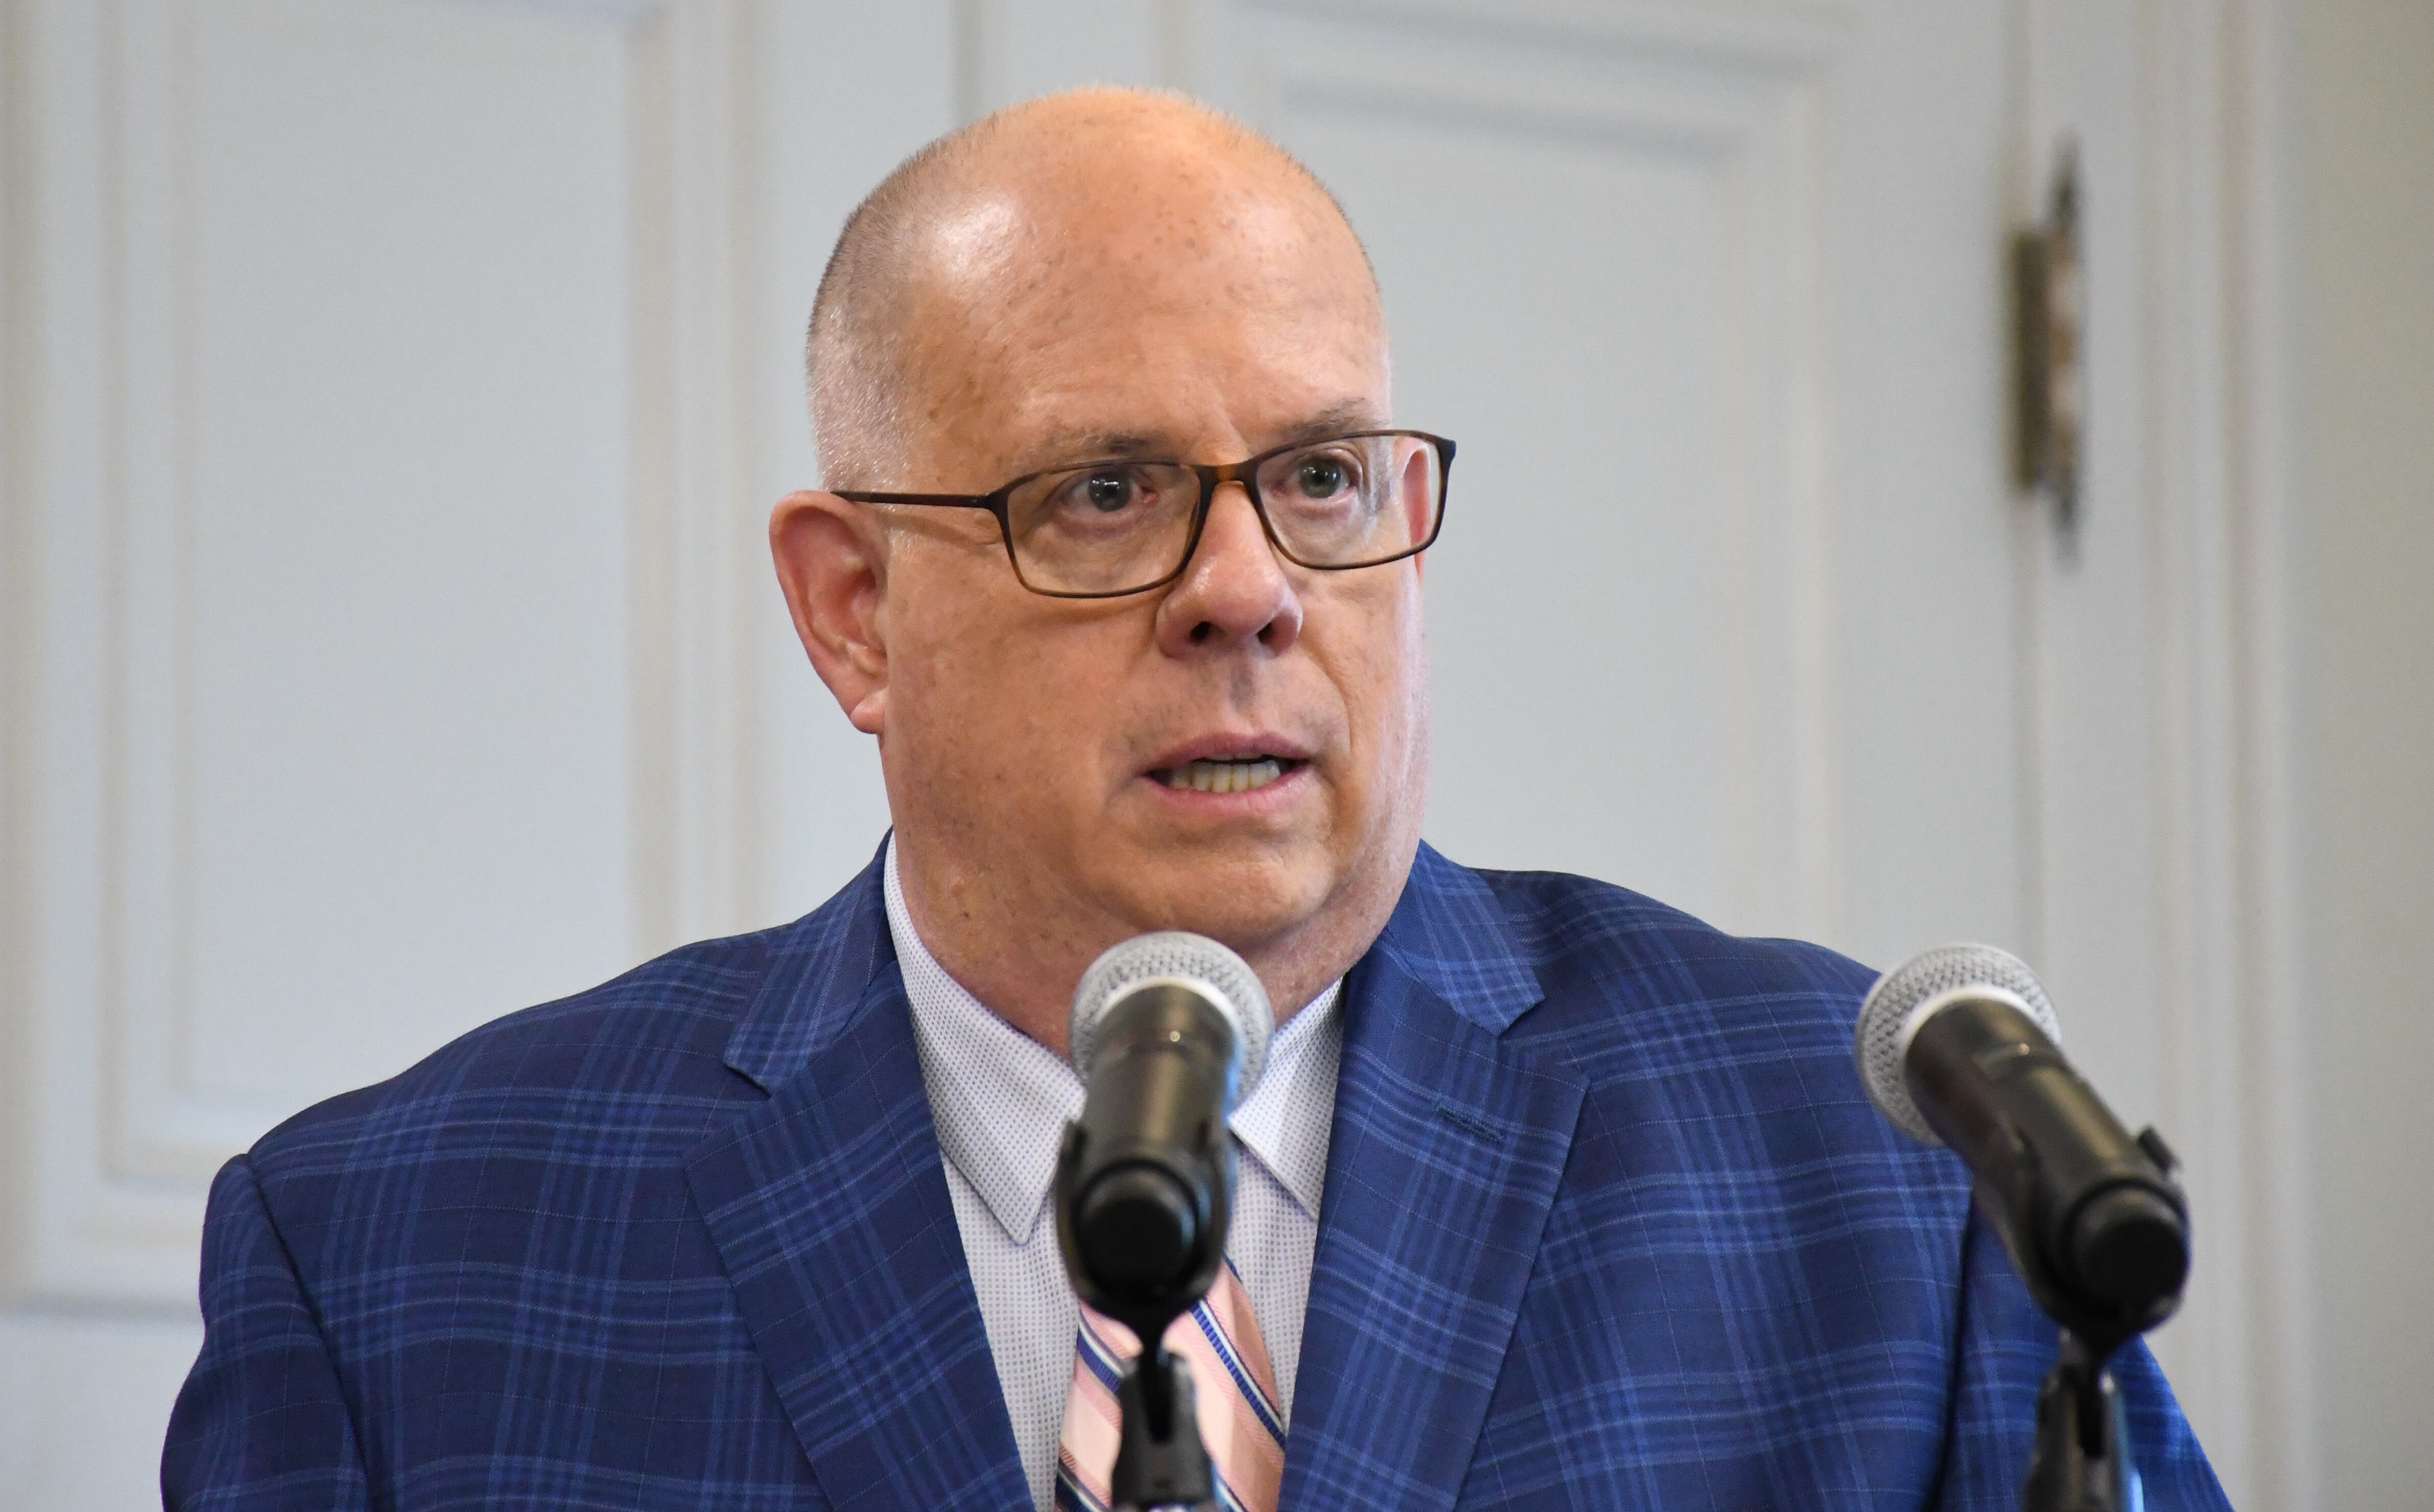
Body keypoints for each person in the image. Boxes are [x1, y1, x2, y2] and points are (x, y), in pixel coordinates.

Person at [162, 87, 2228, 1511]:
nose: (1245, 592)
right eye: (1104, 493)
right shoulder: (397, 1259)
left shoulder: (1866, 1173)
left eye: (1323, 479)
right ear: (853, 610)